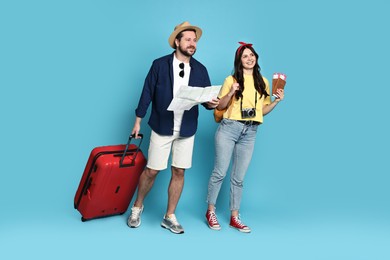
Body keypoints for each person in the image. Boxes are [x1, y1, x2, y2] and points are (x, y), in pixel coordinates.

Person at [127, 21, 219, 234]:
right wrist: (138, 120)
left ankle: (169, 216)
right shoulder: (159, 65)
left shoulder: (201, 69)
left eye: (194, 40)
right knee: (152, 170)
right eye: (187, 39)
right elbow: (146, 92)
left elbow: (205, 98)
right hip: (162, 125)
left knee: (179, 171)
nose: (192, 43)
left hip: (187, 128)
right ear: (177, 42)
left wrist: (211, 102)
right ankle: (137, 207)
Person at [205, 42, 285, 233]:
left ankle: (234, 217)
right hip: (230, 128)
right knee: (220, 172)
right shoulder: (230, 79)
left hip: (250, 131)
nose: (250, 59)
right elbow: (220, 106)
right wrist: (232, 91)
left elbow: (262, 111)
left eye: (252, 55)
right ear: (239, 61)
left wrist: (276, 102)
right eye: (245, 56)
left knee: (238, 178)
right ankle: (210, 211)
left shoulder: (263, 82)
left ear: (256, 58)